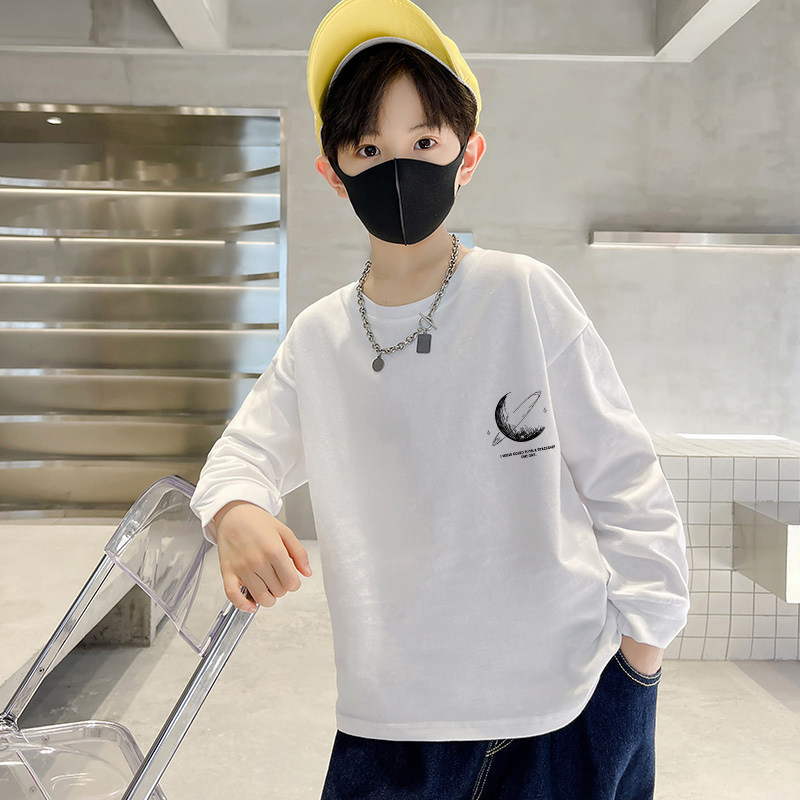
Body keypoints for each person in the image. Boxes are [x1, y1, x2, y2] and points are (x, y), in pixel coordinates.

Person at [189, 1, 691, 797]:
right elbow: (238, 459)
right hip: (390, 720)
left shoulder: (523, 294)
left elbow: (625, 476)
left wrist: (643, 651)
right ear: (333, 172)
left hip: (565, 703)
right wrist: (235, 511)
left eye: (424, 142)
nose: (399, 166)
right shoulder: (319, 339)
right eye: (369, 148)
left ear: (468, 154)